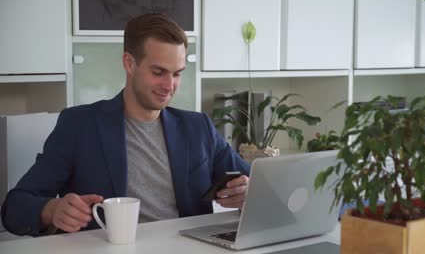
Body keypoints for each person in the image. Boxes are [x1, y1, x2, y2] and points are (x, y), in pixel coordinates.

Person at [1, 13, 250, 236]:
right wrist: (51, 209)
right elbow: (14, 206)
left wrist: (248, 193)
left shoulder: (198, 127)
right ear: (129, 63)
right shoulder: (78, 125)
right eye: (158, 72)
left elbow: (256, 182)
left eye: (177, 73)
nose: (169, 85)